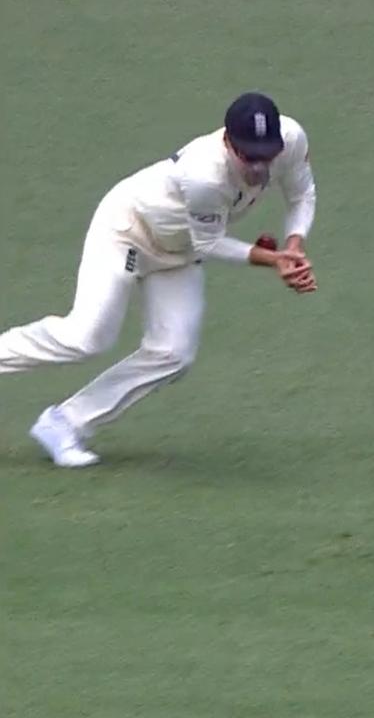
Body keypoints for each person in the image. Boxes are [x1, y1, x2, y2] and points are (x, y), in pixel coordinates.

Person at [0, 92, 317, 467]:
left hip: (178, 253)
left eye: (267, 155)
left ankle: (64, 423)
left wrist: (293, 246)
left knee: (174, 353)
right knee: (86, 338)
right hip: (127, 232)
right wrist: (273, 260)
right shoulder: (205, 174)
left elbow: (302, 194)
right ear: (228, 141)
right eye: (249, 156)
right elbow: (210, 242)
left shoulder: (292, 139)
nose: (260, 167)